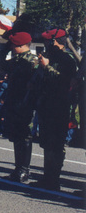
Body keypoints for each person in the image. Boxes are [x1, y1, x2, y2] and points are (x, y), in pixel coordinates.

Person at [31, 28, 77, 190]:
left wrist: (47, 67)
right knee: (46, 142)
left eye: (47, 41)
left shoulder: (67, 59)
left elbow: (66, 82)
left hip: (59, 106)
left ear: (55, 42)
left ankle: (53, 180)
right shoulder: (51, 57)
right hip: (46, 104)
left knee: (56, 143)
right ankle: (47, 177)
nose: (45, 45)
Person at [0, 31, 38, 183]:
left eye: (13, 44)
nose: (12, 46)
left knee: (24, 135)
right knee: (16, 136)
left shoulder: (33, 61)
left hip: (26, 103)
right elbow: (0, 64)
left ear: (20, 45)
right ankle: (18, 169)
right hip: (14, 102)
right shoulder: (16, 60)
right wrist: (5, 48)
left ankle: (24, 170)